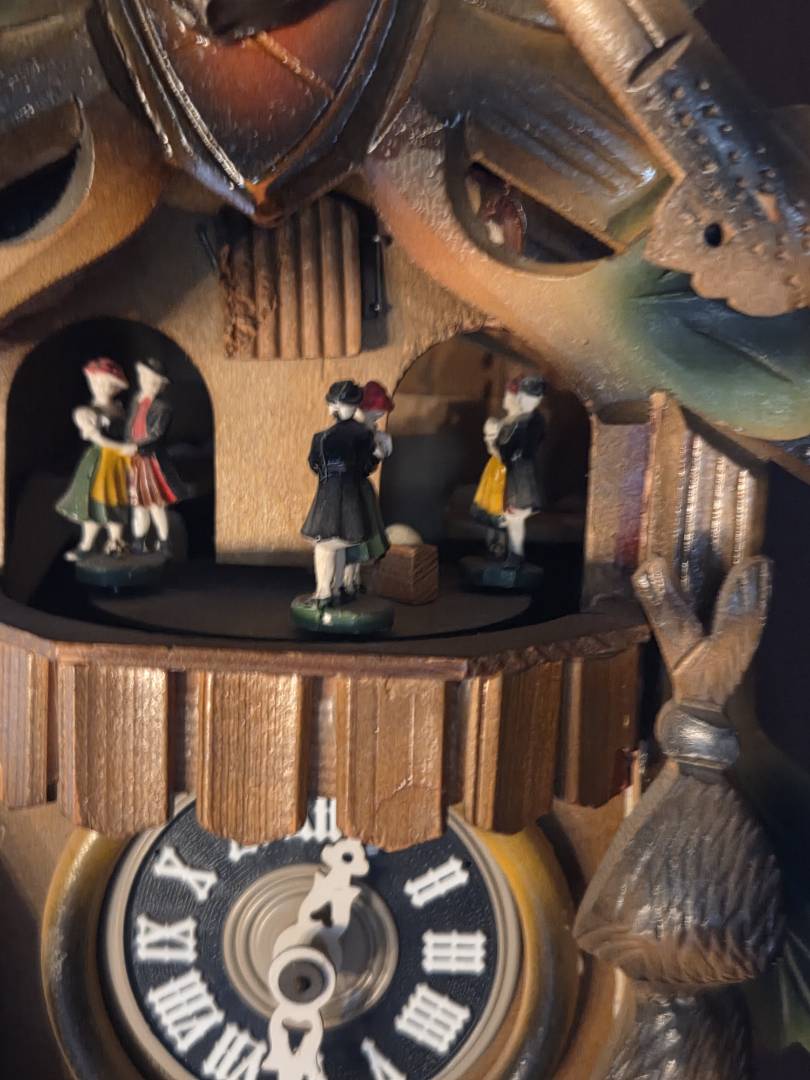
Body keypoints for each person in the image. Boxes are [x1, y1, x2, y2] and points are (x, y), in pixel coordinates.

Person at [301, 380, 379, 607]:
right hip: (352, 497)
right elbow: (368, 466)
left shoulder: (322, 437)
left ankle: (324, 593)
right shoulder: (364, 435)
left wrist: (334, 470)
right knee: (341, 543)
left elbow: (315, 464)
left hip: (331, 496)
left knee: (325, 545)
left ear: (334, 405)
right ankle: (337, 589)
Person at [56, 357, 136, 560]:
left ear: (116, 388)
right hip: (100, 462)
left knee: (116, 504)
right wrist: (123, 448)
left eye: (108, 384)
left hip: (118, 464)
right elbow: (98, 439)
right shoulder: (87, 413)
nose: (101, 387)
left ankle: (116, 543)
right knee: (93, 505)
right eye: (97, 382)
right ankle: (86, 545)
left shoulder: (119, 409)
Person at [126, 358, 184, 555]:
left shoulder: (163, 408)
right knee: (138, 506)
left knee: (155, 505)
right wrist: (127, 445)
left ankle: (165, 542)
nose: (148, 384)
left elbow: (156, 433)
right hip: (134, 460)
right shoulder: (136, 401)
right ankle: (138, 542)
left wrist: (134, 445)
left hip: (151, 461)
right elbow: (130, 427)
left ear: (161, 385)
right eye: (144, 378)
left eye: (154, 382)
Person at [342, 380, 394, 597]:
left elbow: (372, 462)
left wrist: (377, 450)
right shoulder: (351, 432)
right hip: (349, 490)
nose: (376, 418)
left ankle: (354, 580)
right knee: (351, 537)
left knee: (363, 537)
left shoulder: (371, 432)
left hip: (362, 489)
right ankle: (345, 582)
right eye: (373, 414)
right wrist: (373, 450)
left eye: (379, 415)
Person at [497, 374, 546, 565]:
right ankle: (512, 552)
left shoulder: (531, 421)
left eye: (528, 398)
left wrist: (506, 445)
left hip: (521, 476)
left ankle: (515, 554)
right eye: (522, 397)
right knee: (512, 518)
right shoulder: (523, 420)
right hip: (515, 473)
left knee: (515, 517)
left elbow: (523, 448)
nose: (522, 401)